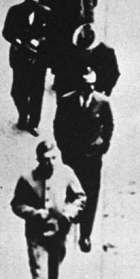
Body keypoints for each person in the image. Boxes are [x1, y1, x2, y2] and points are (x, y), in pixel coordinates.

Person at [11, 140, 86, 279]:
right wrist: (36, 214)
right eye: (46, 160)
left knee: (56, 267)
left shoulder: (66, 173)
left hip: (59, 233)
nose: (51, 163)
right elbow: (17, 204)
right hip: (37, 235)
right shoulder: (27, 179)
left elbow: (80, 197)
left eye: (54, 158)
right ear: (38, 160)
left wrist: (68, 214)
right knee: (38, 277)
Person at [54, 67, 113, 251]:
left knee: (90, 196)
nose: (89, 88)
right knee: (72, 193)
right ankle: (68, 222)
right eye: (86, 85)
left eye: (92, 85)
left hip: (92, 159)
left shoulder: (102, 103)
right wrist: (65, 149)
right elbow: (58, 127)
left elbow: (109, 126)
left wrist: (102, 146)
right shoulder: (66, 101)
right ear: (79, 85)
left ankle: (85, 235)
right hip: (72, 159)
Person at [2, 0, 50, 135]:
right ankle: (23, 115)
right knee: (17, 92)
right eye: (31, 1)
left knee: (36, 94)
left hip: (38, 60)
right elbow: (6, 32)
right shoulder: (15, 11)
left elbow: (52, 34)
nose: (34, 4)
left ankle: (33, 123)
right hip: (20, 59)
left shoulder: (45, 14)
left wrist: (41, 41)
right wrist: (18, 43)